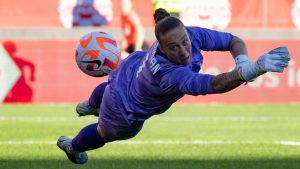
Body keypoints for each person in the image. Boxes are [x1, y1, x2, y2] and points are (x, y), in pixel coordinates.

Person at [57, 8, 290, 164]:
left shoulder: (191, 34)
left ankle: (89, 104)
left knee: (110, 83)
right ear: (162, 47)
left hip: (129, 69)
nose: (184, 51)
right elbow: (214, 84)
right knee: (103, 132)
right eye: (174, 48)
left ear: (187, 33)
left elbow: (233, 41)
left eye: (184, 42)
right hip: (124, 107)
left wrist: (242, 61)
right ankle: (73, 146)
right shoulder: (169, 73)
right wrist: (252, 69)